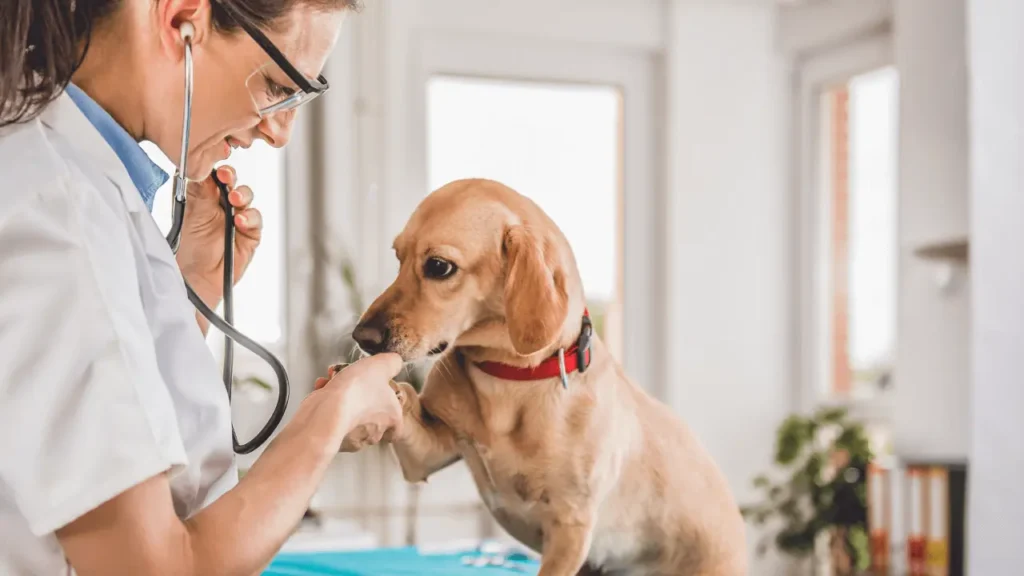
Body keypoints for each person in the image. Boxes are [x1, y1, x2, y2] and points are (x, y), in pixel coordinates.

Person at [0, 1, 404, 574]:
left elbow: (93, 420)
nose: (281, 130)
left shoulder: (77, 179)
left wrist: (191, 287)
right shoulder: (56, 211)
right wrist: (327, 419)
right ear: (180, 21)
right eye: (275, 85)